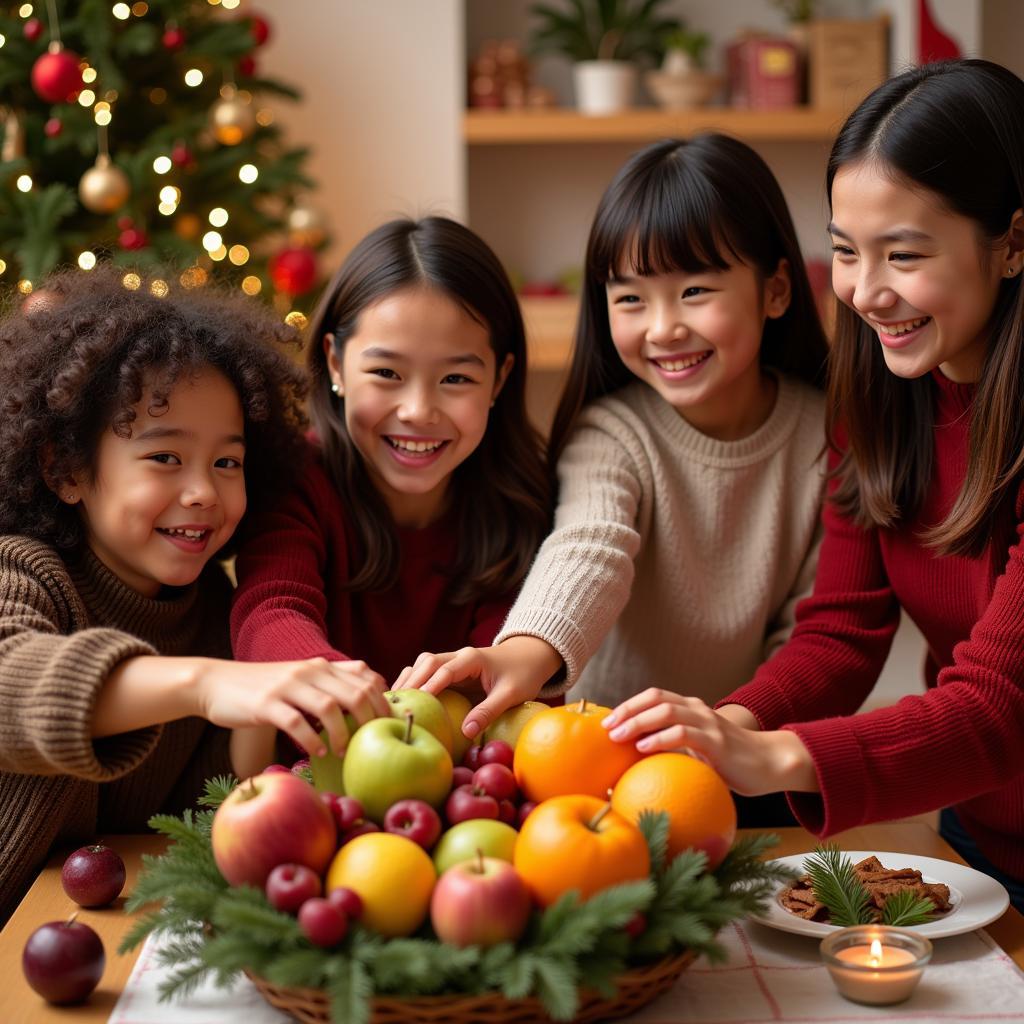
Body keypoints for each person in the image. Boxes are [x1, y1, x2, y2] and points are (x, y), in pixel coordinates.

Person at [602, 60, 1024, 911]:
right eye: (843, 250)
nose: (867, 293)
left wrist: (779, 758)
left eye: (904, 254)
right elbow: (841, 630)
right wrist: (730, 729)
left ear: (1013, 242)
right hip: (982, 832)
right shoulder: (881, 396)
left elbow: (999, 706)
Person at [396, 135, 830, 822]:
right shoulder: (613, 431)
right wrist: (524, 651)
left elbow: (813, 630)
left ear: (775, 290)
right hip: (590, 776)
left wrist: (729, 733)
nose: (663, 328)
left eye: (694, 291)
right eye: (630, 299)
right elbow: (591, 546)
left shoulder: (826, 440)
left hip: (740, 780)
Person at [0, 265, 394, 923]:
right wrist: (207, 684)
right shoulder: (23, 573)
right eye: (164, 458)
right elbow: (12, 681)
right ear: (65, 468)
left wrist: (257, 720)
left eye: (227, 462)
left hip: (100, 939)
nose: (204, 492)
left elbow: (209, 811)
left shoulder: (211, 608)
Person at [229, 216, 551, 759]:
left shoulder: (520, 499)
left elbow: (507, 667)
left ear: (499, 378)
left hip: (464, 792)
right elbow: (269, 611)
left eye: (456, 379)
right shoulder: (298, 476)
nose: (418, 411)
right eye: (387, 374)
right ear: (335, 362)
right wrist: (357, 699)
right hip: (316, 792)